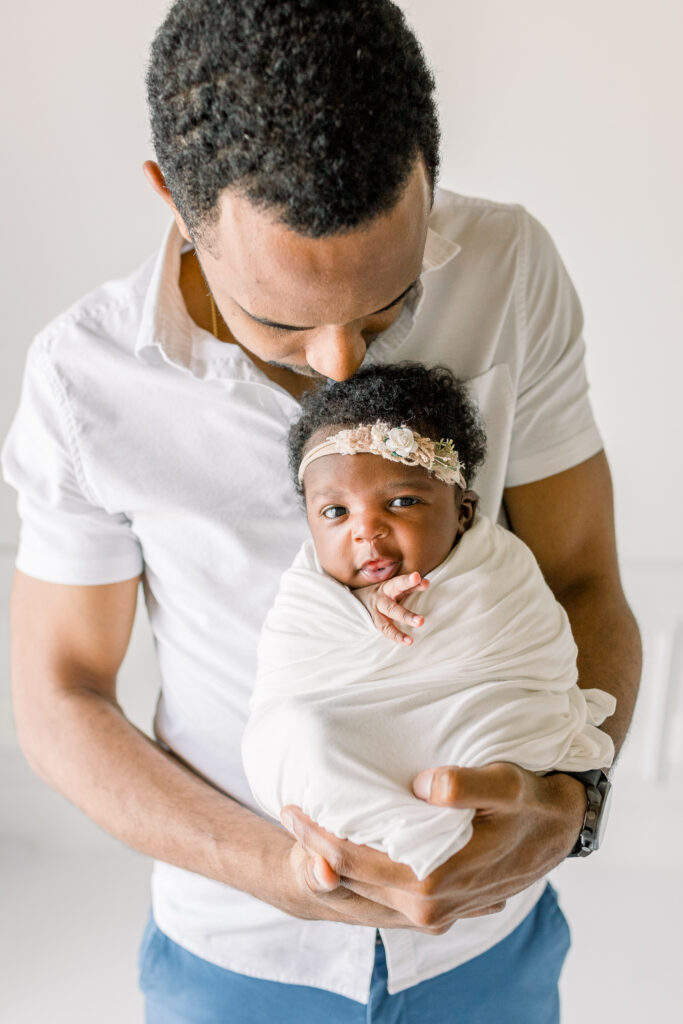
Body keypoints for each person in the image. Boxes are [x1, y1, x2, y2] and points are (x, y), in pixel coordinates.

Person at [1, 1, 640, 1021]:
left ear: (428, 171)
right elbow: (62, 695)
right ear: (174, 199)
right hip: (239, 954)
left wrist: (573, 799)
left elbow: (581, 581)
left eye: (389, 302)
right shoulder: (85, 381)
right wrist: (281, 868)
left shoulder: (511, 267)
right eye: (281, 319)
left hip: (490, 937)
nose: (343, 363)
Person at [243, 362, 616, 881]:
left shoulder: (494, 570)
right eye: (335, 513)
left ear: (464, 512)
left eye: (401, 502)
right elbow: (288, 683)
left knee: (504, 727)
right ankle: (407, 837)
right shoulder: (308, 592)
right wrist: (366, 606)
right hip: (346, 733)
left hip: (474, 724)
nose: (366, 531)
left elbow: (532, 662)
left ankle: (449, 830)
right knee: (299, 735)